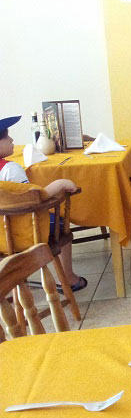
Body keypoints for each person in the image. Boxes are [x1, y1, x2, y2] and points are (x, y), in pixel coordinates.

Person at [0, 115, 86, 293]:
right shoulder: (10, 169)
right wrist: (61, 184)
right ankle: (68, 278)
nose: (12, 140)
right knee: (60, 223)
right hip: (20, 230)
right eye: (6, 137)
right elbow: (33, 199)